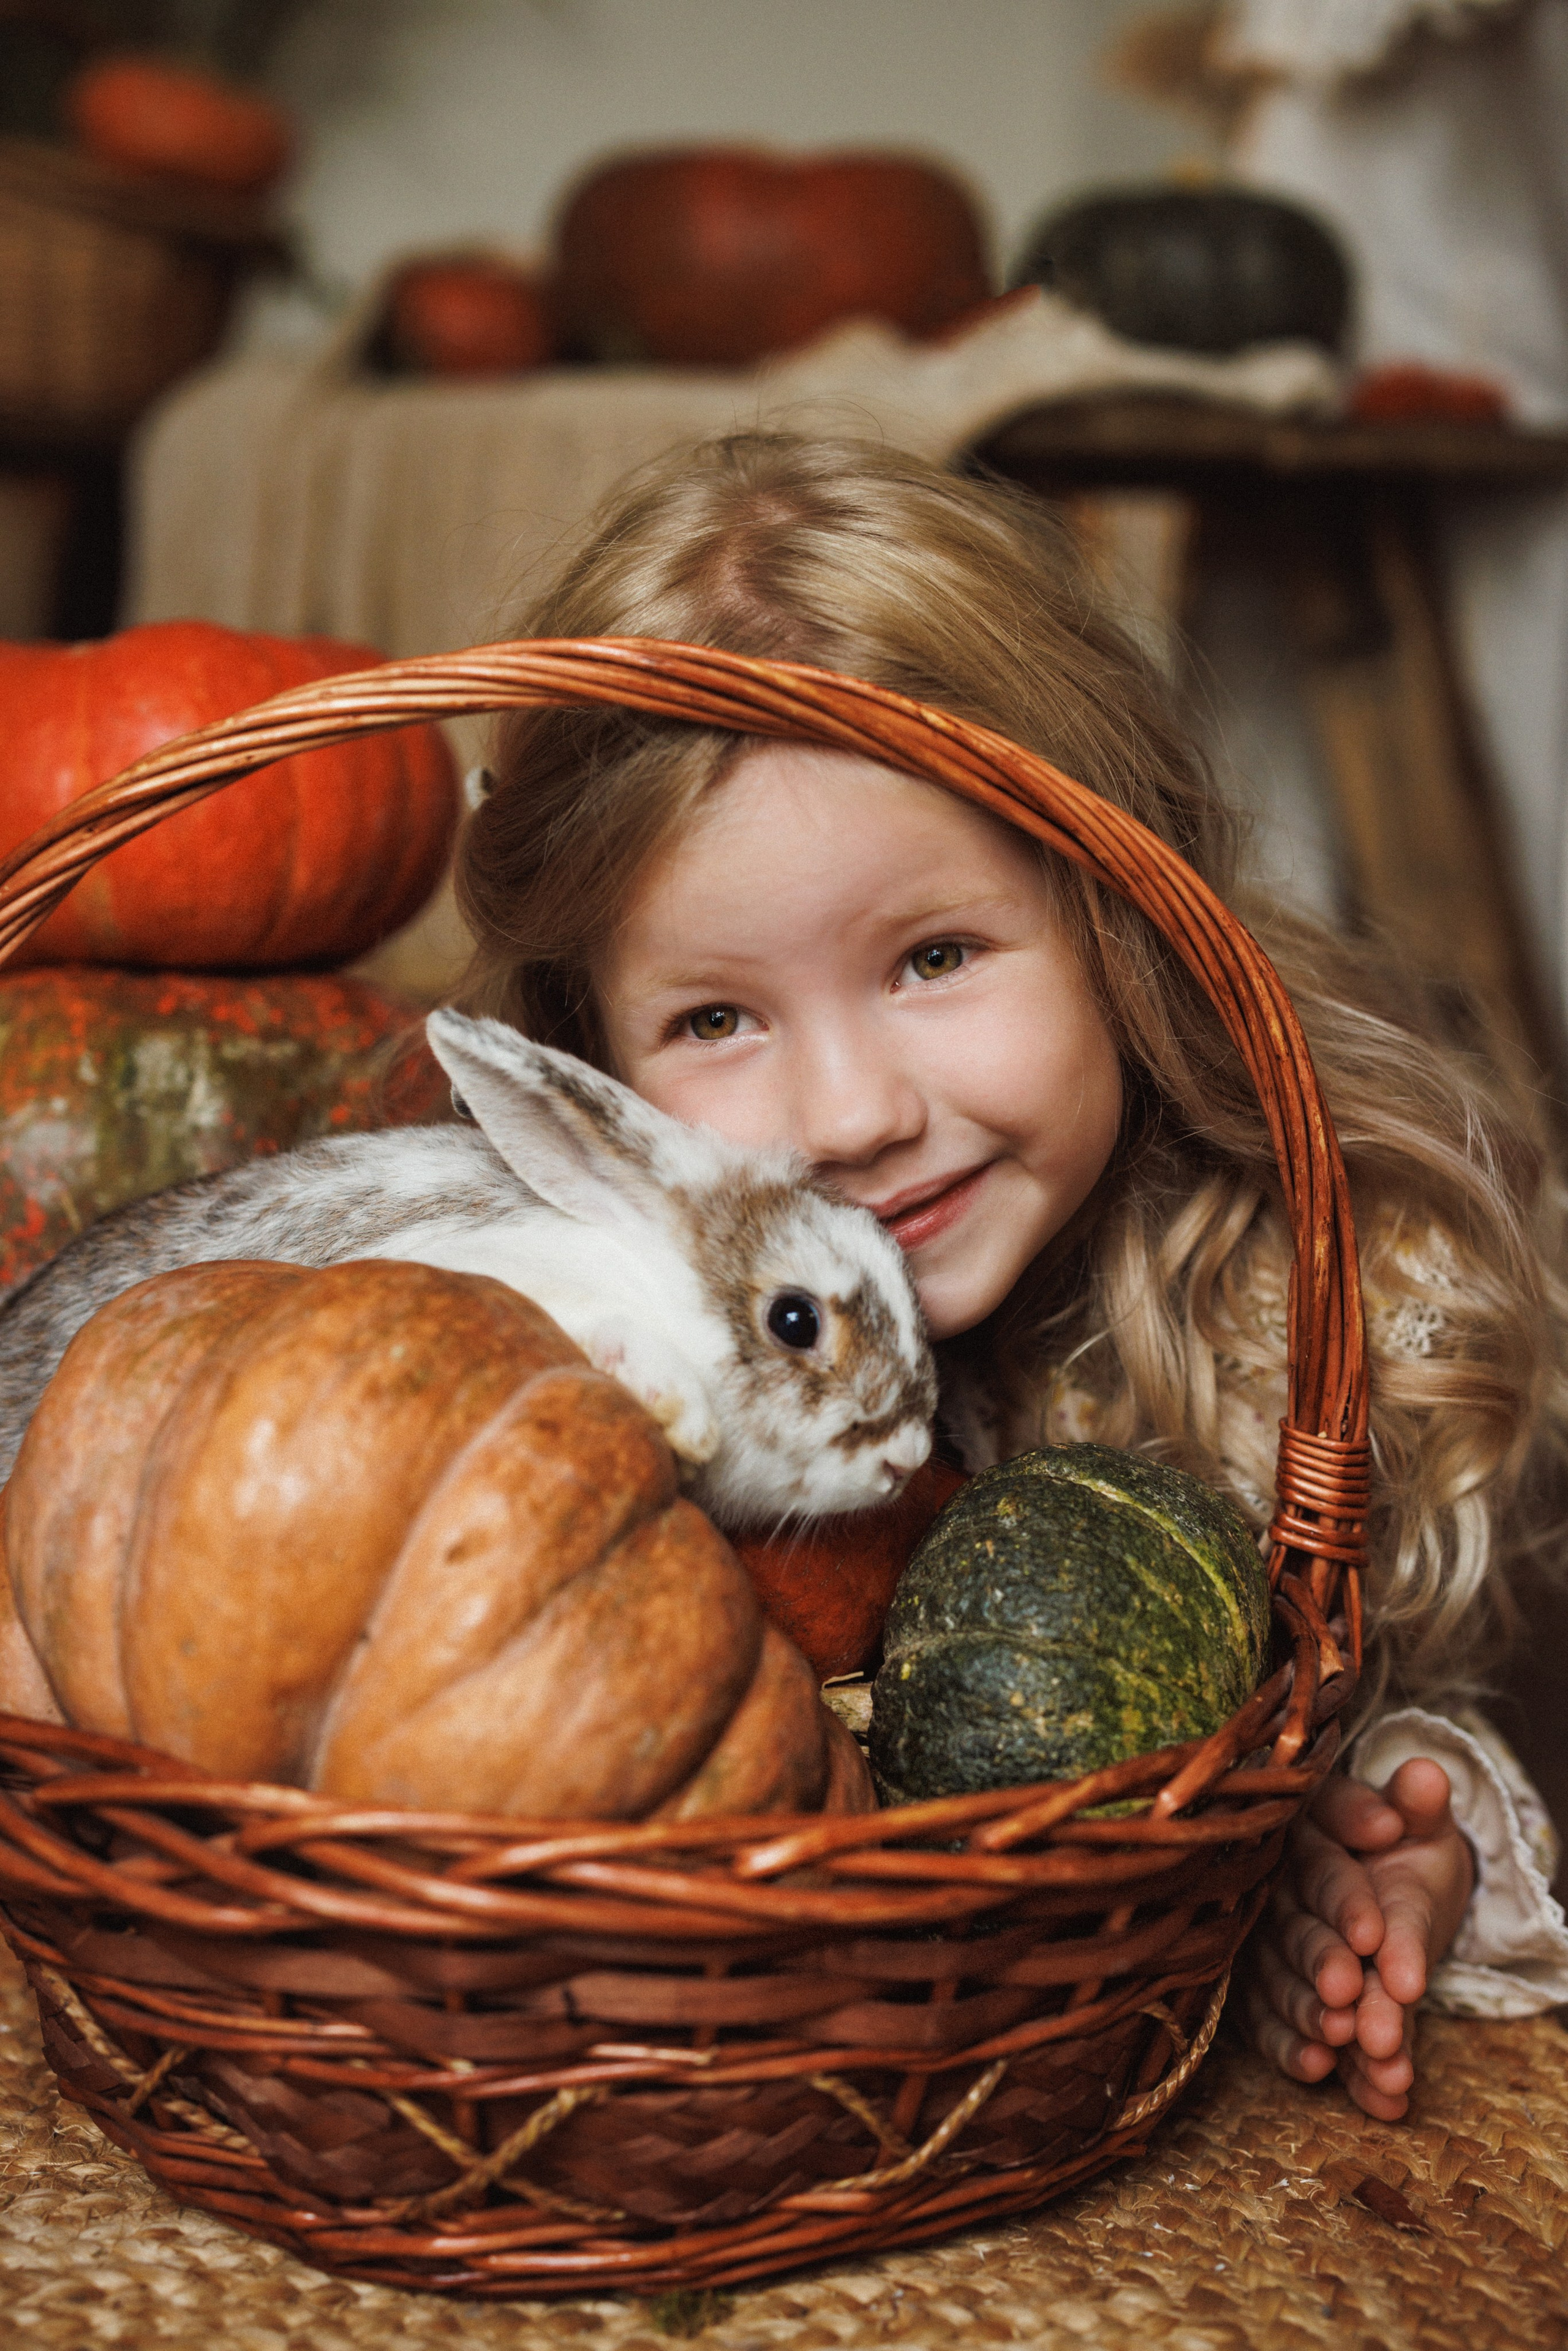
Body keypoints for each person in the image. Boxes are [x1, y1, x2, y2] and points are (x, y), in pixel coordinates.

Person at [456, 431, 1568, 2119]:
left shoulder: (1298, 1310)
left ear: (1123, 910)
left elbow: (1379, 1705)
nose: (851, 1116)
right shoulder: (568, 1367)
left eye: (936, 956)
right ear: (590, 1071)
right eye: (716, 1018)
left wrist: (1372, 1845)